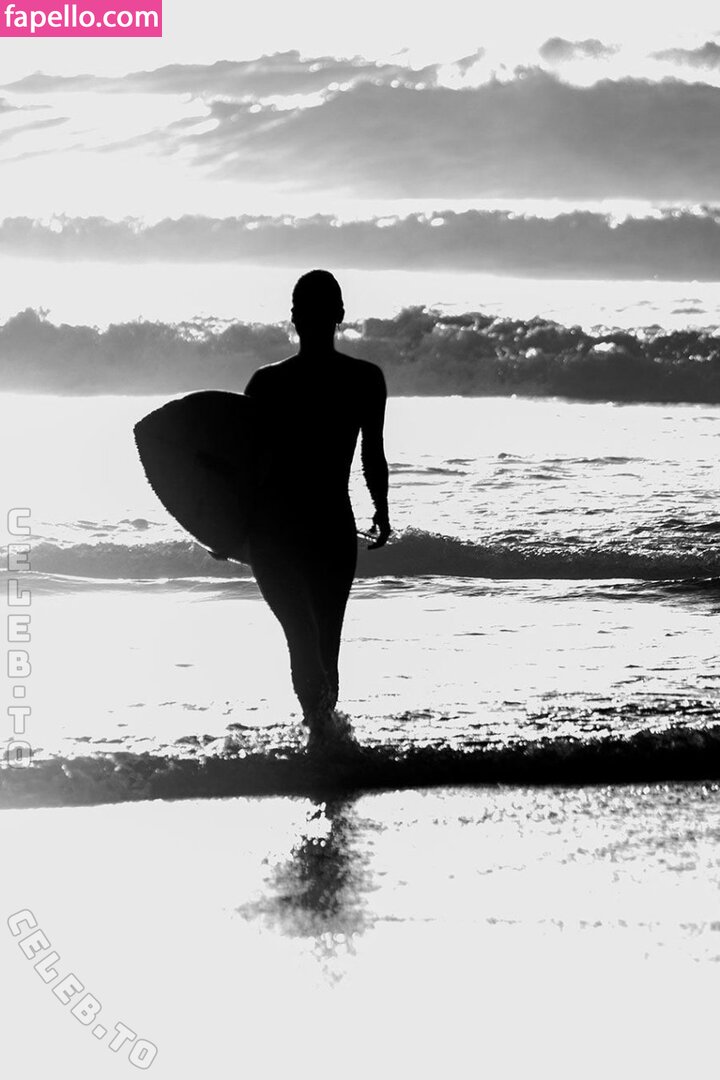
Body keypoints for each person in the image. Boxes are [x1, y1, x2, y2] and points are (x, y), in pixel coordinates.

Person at [244, 270, 391, 749]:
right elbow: (372, 454)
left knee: (311, 643)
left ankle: (321, 744)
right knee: (319, 643)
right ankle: (324, 742)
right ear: (340, 315)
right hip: (326, 529)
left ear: (293, 318)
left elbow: (241, 467)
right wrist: (381, 510)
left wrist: (227, 525)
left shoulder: (267, 383)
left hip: (281, 532)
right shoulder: (363, 379)